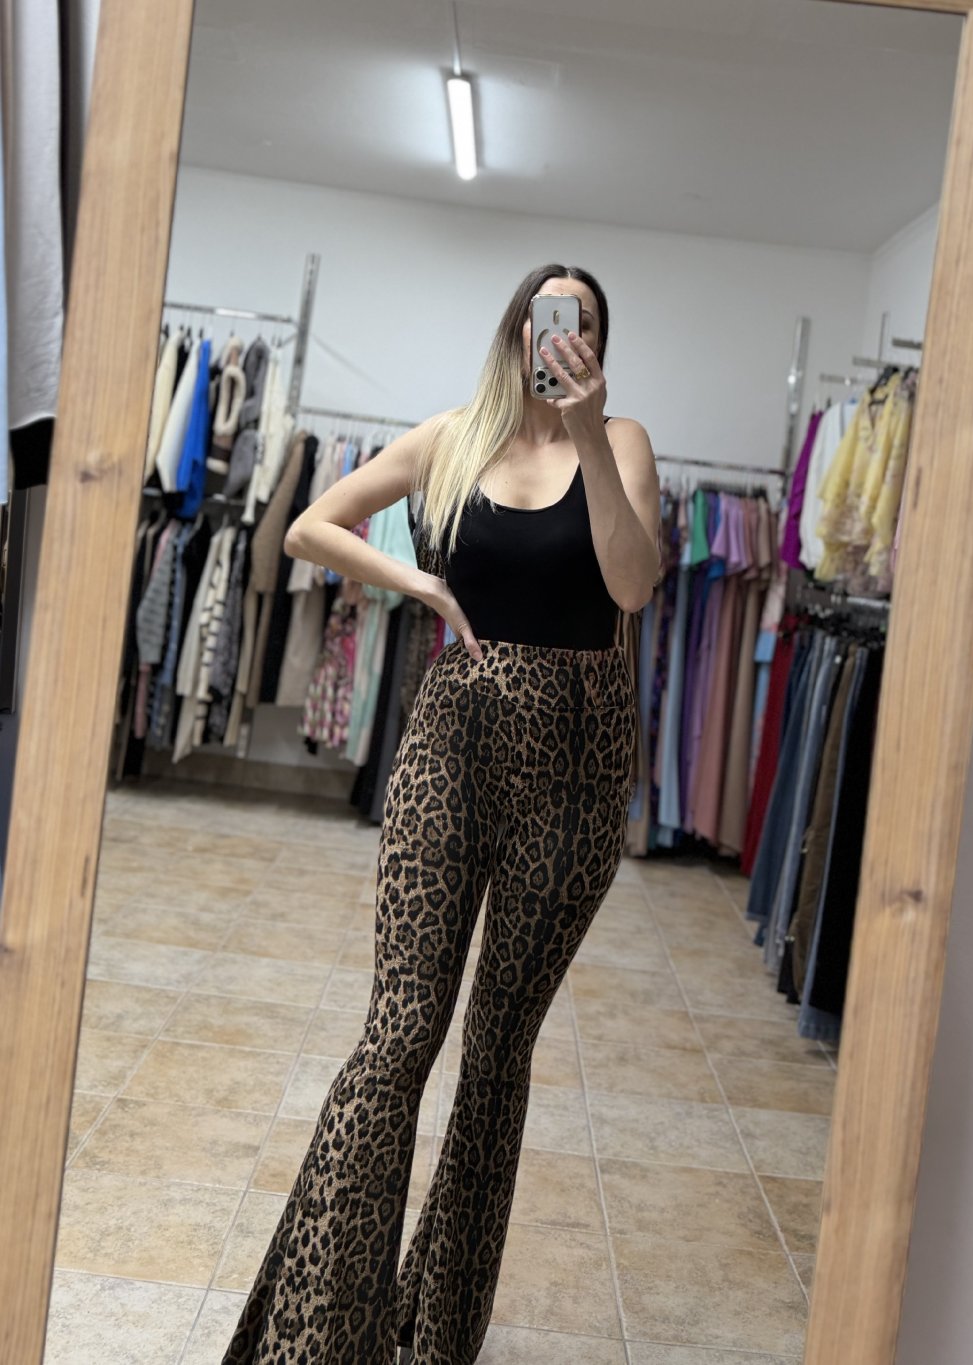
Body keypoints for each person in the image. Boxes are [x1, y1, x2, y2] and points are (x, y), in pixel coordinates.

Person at [221, 263, 661, 1365]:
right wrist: (413, 582)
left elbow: (631, 586)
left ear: (598, 343)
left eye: (582, 324)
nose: (560, 338)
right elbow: (308, 528)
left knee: (498, 1050)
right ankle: (314, 1331)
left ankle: (435, 1331)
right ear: (515, 330)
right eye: (546, 318)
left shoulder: (624, 443)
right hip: (451, 745)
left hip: (578, 760)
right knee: (401, 1030)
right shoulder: (449, 439)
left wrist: (589, 431)